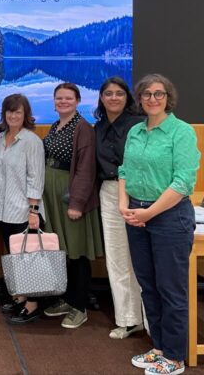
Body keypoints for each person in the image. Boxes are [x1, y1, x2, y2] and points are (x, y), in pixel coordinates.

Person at [119, 74, 199, 375]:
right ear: (139, 99)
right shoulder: (136, 132)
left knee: (171, 290)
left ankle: (175, 357)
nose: (153, 99)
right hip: (136, 216)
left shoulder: (181, 132)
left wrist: (148, 213)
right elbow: (124, 169)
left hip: (169, 218)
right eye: (147, 94)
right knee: (149, 287)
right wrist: (123, 205)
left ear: (168, 97)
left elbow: (183, 182)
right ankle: (159, 348)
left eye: (159, 94)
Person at [42, 82, 103, 329]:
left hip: (70, 197)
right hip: (52, 196)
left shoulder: (83, 128)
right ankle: (67, 299)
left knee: (76, 252)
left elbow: (86, 169)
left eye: (68, 98)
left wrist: (77, 203)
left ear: (77, 101)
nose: (63, 102)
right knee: (62, 251)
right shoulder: (57, 126)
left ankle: (80, 307)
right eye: (59, 98)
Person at [0, 94, 45, 324]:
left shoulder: (31, 141)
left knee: (27, 258)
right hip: (2, 208)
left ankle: (32, 305)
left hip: (23, 209)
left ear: (25, 115)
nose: (13, 116)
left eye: (18, 112)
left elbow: (36, 178)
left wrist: (33, 211)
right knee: (13, 257)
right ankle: (19, 297)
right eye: (9, 112)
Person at [94, 77, 144, 339]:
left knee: (140, 258)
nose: (113, 98)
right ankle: (127, 319)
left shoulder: (139, 125)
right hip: (109, 193)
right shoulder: (98, 128)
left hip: (138, 194)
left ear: (127, 98)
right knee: (116, 257)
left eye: (119, 94)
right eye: (108, 94)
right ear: (101, 98)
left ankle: (148, 319)